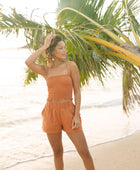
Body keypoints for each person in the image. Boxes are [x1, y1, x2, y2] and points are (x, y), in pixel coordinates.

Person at [25, 34, 95, 170]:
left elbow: (77, 91)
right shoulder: (46, 70)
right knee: (57, 153)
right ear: (52, 51)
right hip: (51, 112)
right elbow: (28, 62)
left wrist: (76, 115)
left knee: (84, 152)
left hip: (68, 110)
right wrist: (44, 46)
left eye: (65, 48)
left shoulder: (70, 66)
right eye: (60, 48)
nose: (65, 51)